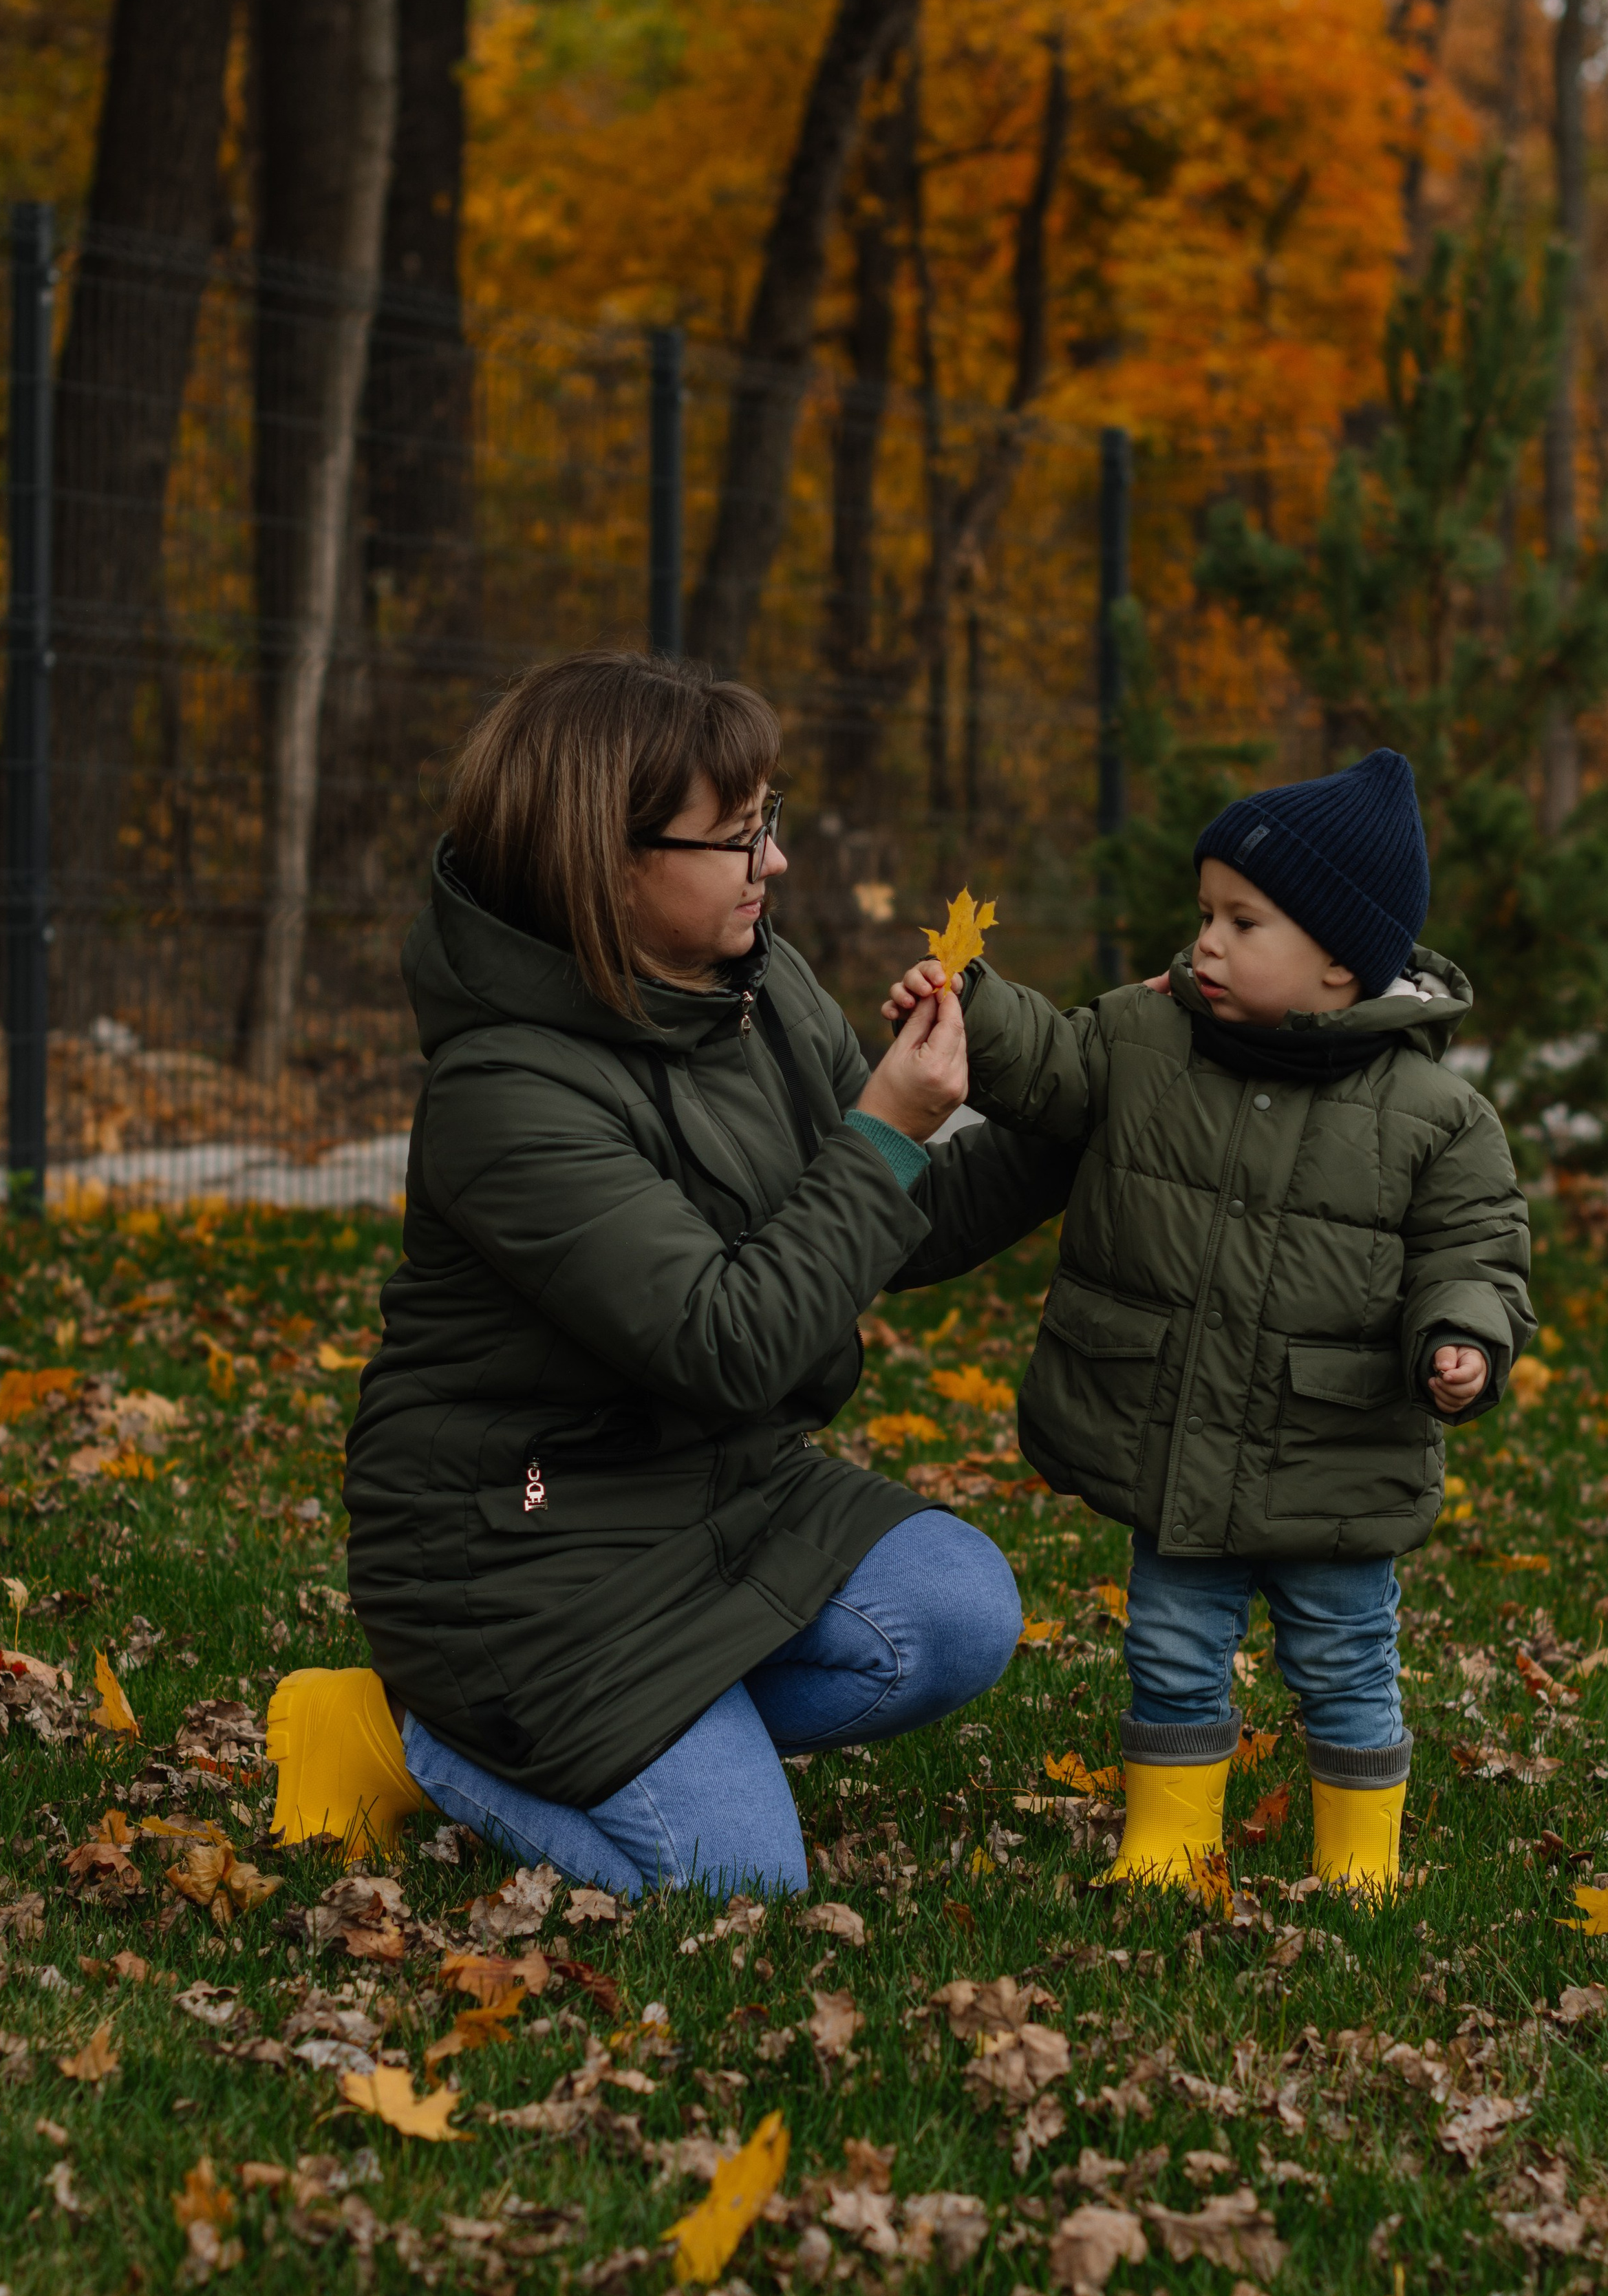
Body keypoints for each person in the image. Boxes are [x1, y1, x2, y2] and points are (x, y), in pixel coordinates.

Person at [268, 650, 1077, 1893]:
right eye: (740, 838)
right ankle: (407, 1734)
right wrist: (883, 1132)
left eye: (771, 824)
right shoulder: (502, 1095)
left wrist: (1081, 1117)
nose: (777, 864)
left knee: (959, 1611)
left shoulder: (755, 986)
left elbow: (875, 1226)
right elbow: (730, 1338)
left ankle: (670, 1729)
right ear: (607, 858)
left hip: (711, 1488)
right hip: (519, 1554)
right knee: (742, 1886)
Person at [884, 747, 1536, 1893]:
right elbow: (1054, 1068)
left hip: (1334, 1449)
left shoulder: (1439, 1114)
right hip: (1181, 1445)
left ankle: (1360, 1860)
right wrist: (973, 1011)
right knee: (1172, 1646)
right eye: (1205, 916)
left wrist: (1464, 1337)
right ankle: (1171, 1841)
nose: (1207, 945)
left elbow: (1474, 1248)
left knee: (1344, 1655)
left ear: (1341, 961)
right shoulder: (1147, 1039)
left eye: (1244, 922)